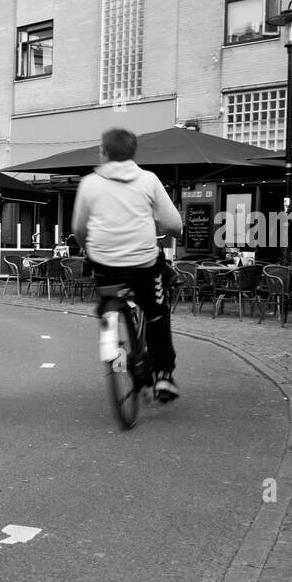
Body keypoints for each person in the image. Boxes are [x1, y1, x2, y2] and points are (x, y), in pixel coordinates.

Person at [73, 127, 183, 401]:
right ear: (133, 152)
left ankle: (112, 325)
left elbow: (79, 228)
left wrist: (89, 246)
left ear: (103, 152)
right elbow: (173, 224)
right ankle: (164, 376)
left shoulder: (89, 183)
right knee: (157, 312)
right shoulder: (148, 180)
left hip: (105, 264)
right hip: (144, 264)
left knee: (108, 299)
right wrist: (165, 229)